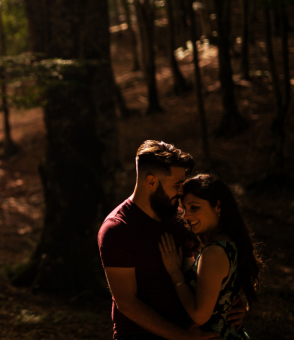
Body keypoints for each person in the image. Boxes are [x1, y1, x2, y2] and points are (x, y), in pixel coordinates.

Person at [98, 140, 245, 340]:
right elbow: (126, 303)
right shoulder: (117, 229)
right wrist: (182, 337)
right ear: (151, 182)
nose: (181, 192)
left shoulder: (178, 220)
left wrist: (233, 301)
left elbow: (195, 276)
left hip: (186, 328)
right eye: (177, 185)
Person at [159, 174, 261, 339]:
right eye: (184, 209)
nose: (186, 216)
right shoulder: (231, 242)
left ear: (218, 206)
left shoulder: (213, 252)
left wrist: (174, 272)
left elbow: (200, 315)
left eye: (194, 207)